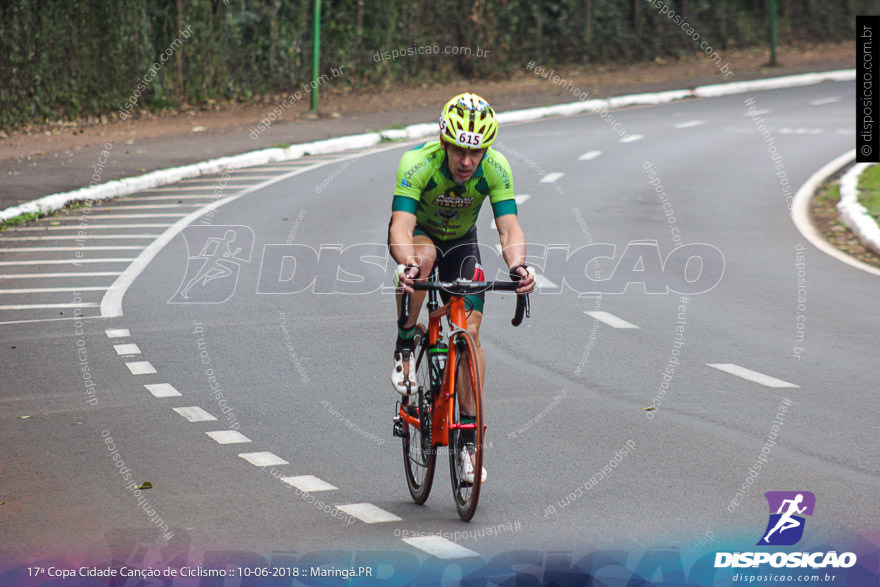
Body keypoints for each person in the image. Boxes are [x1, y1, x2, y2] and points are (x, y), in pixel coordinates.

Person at [387, 92, 536, 483]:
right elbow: (399, 225)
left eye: (476, 153)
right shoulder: (417, 163)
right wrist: (405, 263)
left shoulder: (496, 168)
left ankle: (469, 441)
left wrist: (519, 266)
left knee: (469, 335)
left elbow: (509, 227)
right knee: (424, 260)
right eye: (459, 152)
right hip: (421, 236)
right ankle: (405, 343)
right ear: (444, 143)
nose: (467, 162)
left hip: (462, 243)